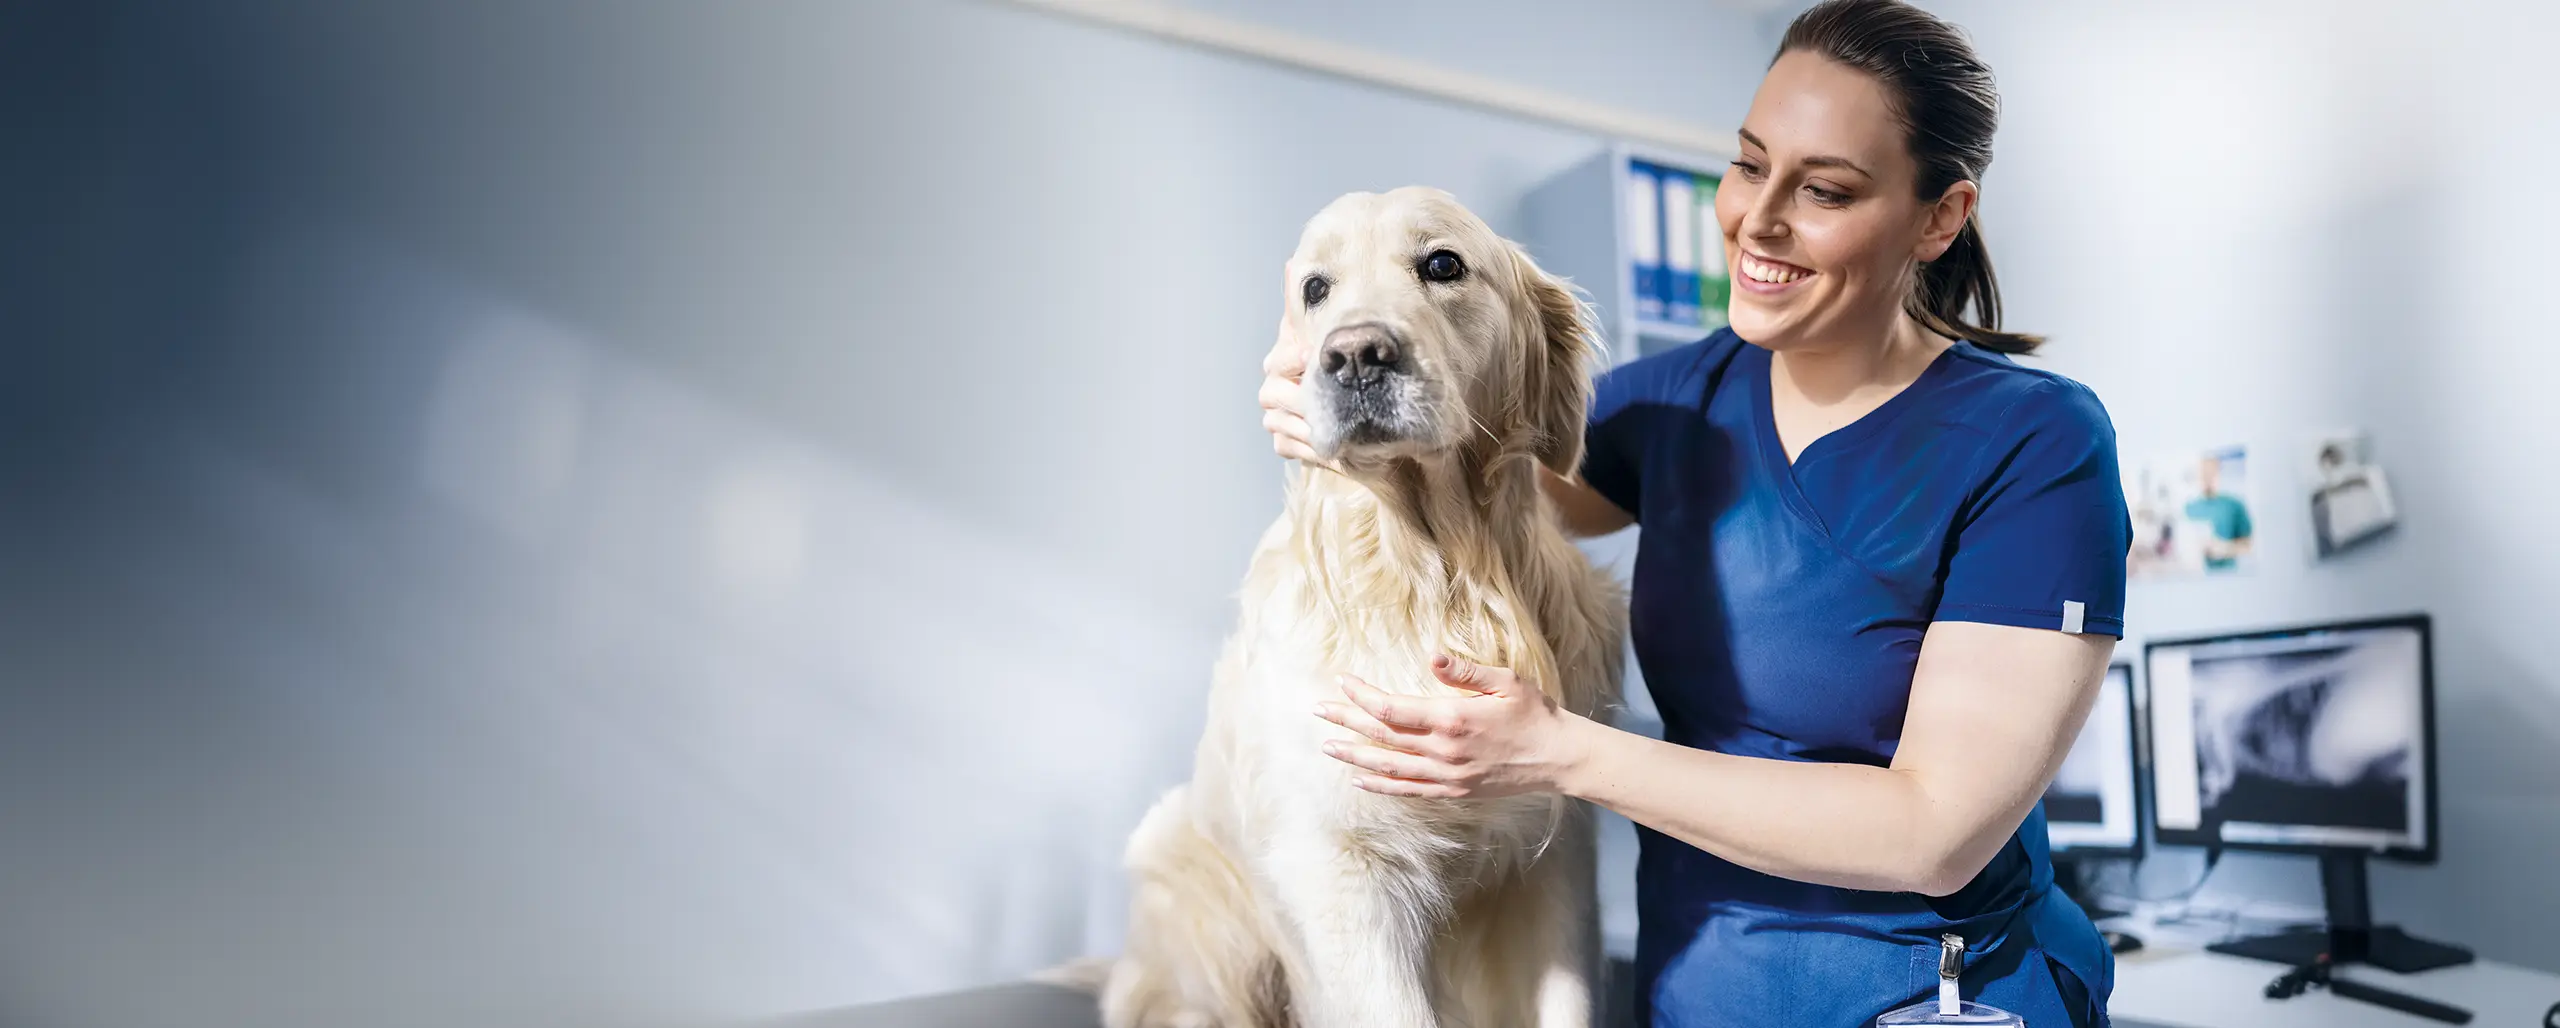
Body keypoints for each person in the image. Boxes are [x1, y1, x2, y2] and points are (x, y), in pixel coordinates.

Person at [1257, 2, 2131, 1024]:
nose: (1757, 220)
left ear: (1937, 217)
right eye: (1750, 163)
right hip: (1697, 991)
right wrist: (1349, 397)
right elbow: (1492, 472)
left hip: (1922, 996)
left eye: (1824, 190)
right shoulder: (1675, 403)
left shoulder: (2034, 443)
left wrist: (1559, 748)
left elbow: (1932, 829)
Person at [2185, 453, 2253, 571]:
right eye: (2203, 473)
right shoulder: (2188, 508)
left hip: (2227, 574)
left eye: (2211, 473)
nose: (2207, 478)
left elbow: (2248, 545)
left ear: (2218, 473)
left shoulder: (2234, 505)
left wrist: (2226, 549)